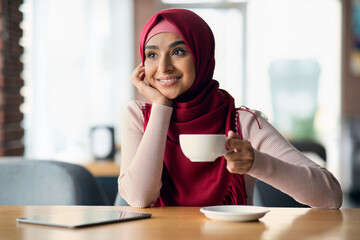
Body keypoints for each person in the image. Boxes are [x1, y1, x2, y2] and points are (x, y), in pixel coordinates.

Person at [118, 8, 342, 209]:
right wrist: (161, 106)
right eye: (152, 55)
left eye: (178, 52)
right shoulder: (139, 116)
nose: (163, 67)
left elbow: (331, 195)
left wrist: (257, 163)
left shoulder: (242, 123)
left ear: (201, 55)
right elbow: (140, 198)